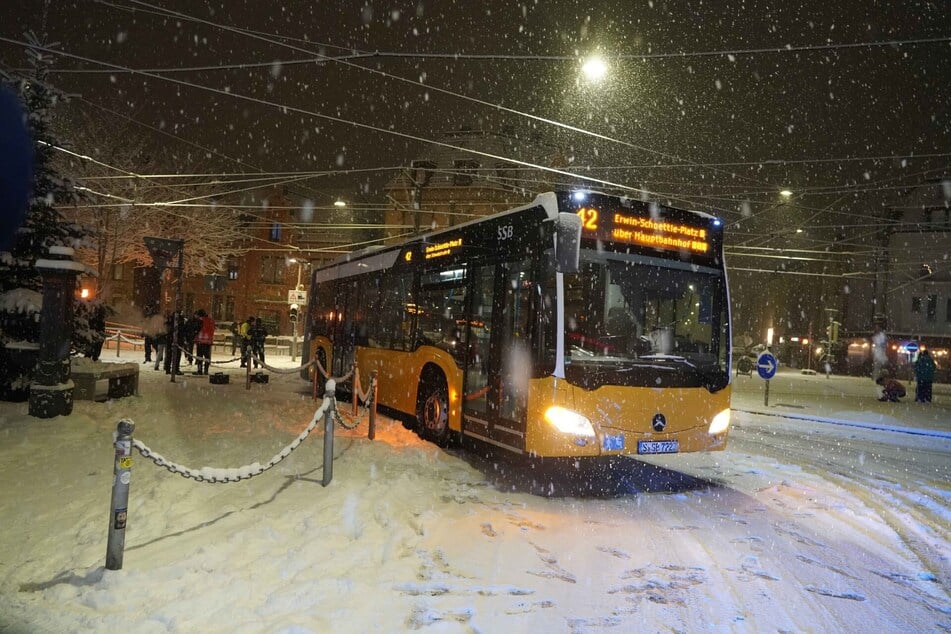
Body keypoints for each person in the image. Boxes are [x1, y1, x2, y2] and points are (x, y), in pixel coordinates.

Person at [194, 309, 216, 375]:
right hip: (208, 342)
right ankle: (206, 370)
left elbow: (197, 330)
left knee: (199, 357)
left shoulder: (200, 321)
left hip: (200, 341)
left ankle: (199, 370)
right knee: (207, 357)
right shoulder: (211, 321)